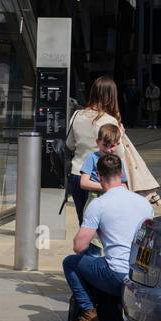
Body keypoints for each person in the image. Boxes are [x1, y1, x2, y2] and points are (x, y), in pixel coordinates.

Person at [63, 153, 153, 321]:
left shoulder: (99, 204)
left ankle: (89, 317)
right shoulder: (144, 203)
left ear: (100, 176)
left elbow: (79, 246)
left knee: (70, 262)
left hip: (117, 275)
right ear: (121, 174)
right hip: (140, 277)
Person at [66, 76, 123, 223]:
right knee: (100, 226)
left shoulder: (77, 115)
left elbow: (70, 144)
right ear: (111, 96)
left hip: (77, 174)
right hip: (99, 178)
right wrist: (121, 134)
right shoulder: (109, 121)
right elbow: (120, 153)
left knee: (84, 223)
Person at [80, 122, 129, 196]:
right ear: (98, 142)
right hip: (95, 197)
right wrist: (107, 187)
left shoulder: (118, 161)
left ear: (118, 144)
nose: (108, 150)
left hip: (114, 198)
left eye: (112, 146)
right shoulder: (91, 157)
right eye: (105, 145)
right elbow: (84, 183)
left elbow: (123, 183)